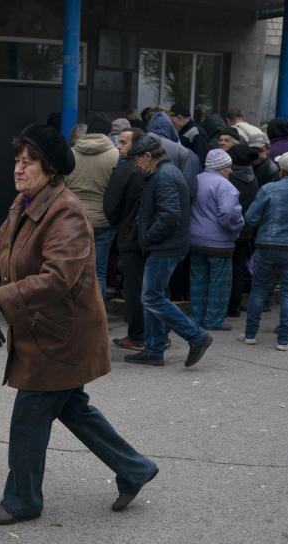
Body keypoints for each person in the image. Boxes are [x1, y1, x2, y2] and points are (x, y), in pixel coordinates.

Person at [0, 123, 159, 525]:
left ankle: (23, 500)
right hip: (43, 331)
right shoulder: (23, 204)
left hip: (62, 338)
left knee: (29, 418)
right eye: (17, 162)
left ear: (51, 169)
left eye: (29, 163)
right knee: (74, 409)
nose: (19, 170)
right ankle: (135, 468)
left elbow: (58, 277)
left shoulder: (66, 212)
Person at [123, 133, 214, 367]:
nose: (135, 165)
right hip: (167, 245)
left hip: (166, 246)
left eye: (137, 160)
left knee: (151, 296)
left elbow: (169, 215)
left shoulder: (165, 175)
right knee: (154, 296)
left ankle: (196, 336)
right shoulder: (164, 173)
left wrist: (148, 237)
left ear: (147, 156)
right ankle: (154, 350)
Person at [239, 151, 288, 351]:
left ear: (281, 170)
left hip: (267, 244)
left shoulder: (269, 189)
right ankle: (284, 339)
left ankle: (250, 334)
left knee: (259, 289)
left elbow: (250, 218)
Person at [188, 149, 244, 330]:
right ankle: (213, 321)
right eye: (229, 167)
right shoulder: (225, 186)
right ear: (222, 167)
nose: (231, 170)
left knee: (198, 280)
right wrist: (238, 226)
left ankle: (197, 317)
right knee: (219, 284)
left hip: (195, 240)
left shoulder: (196, 179)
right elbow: (229, 214)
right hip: (219, 243)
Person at [65, 114, 119, 298]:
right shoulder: (115, 155)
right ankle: (97, 319)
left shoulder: (71, 154)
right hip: (104, 221)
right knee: (99, 272)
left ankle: (74, 315)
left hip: (74, 219)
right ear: (109, 133)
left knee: (72, 270)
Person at [105, 127, 146, 350]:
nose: (118, 146)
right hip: (149, 238)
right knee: (151, 289)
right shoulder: (152, 171)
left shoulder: (124, 171)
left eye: (123, 142)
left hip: (130, 236)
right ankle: (159, 335)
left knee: (134, 289)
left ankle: (137, 335)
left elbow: (111, 208)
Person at [225, 143, 261, 319]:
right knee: (238, 267)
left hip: (229, 229)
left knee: (226, 268)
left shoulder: (230, 178)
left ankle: (226, 305)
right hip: (245, 230)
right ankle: (234, 306)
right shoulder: (252, 178)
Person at [170, 102, 210, 167]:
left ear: (179, 118)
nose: (171, 125)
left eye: (171, 121)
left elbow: (201, 161)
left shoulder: (196, 132)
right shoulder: (182, 130)